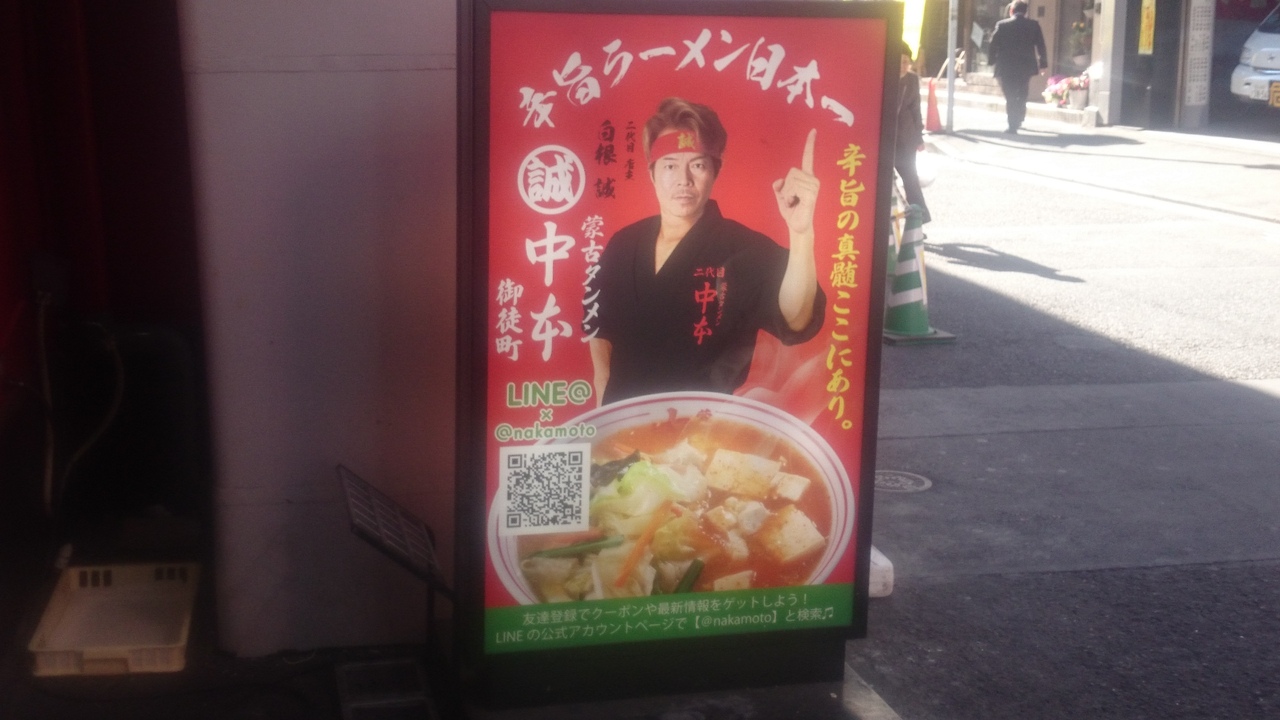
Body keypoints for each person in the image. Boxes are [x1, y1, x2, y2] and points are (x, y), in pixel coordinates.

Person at [587, 97, 827, 406]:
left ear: (715, 172)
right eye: (670, 165)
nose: (683, 180)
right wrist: (603, 399)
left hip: (704, 428)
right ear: (652, 173)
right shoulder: (624, 243)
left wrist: (801, 234)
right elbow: (600, 323)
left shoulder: (744, 248)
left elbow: (796, 318)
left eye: (698, 165)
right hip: (621, 424)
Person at [988, 0, 1047, 133]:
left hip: (1006, 66)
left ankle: (1012, 124)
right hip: (1025, 66)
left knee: (1010, 95)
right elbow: (1041, 45)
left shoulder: (1002, 25)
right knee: (1022, 92)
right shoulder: (1033, 25)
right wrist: (1043, 64)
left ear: (1011, 11)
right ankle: (1019, 117)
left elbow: (993, 44)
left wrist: (991, 61)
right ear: (1025, 12)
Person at [895, 41, 931, 224]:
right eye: (900, 61)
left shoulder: (912, 80)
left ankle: (919, 218)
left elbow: (916, 108)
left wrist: (919, 137)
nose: (903, 65)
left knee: (910, 178)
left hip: (906, 136)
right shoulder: (883, 76)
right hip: (886, 138)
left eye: (906, 62)